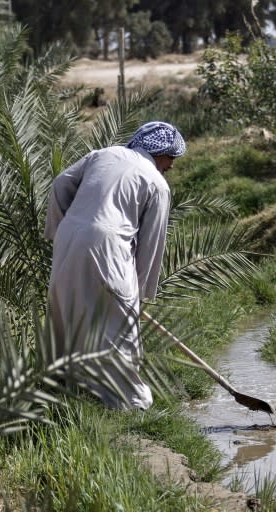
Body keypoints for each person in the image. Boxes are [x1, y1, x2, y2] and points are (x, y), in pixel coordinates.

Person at [44, 121, 186, 410]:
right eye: (171, 159)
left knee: (66, 313)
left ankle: (62, 391)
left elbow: (60, 184)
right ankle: (130, 404)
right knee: (118, 328)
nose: (171, 166)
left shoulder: (103, 154)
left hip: (68, 236)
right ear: (161, 154)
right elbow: (151, 244)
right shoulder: (157, 183)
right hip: (109, 245)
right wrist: (140, 294)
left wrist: (61, 231)